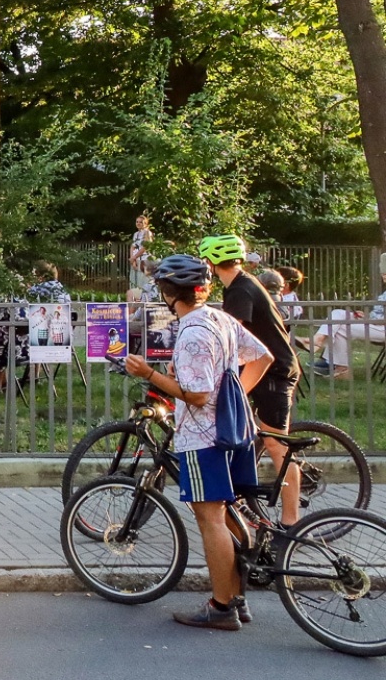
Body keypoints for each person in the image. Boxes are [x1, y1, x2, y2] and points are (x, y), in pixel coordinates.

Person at [123, 254, 271, 631]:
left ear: (170, 293)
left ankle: (221, 608)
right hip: (235, 431)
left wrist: (149, 373)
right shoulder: (219, 318)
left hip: (204, 438)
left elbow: (198, 396)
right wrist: (233, 396)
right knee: (230, 515)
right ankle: (237, 599)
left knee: (211, 519)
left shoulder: (192, 332)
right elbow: (262, 357)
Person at [199, 235, 301, 527]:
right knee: (244, 429)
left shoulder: (241, 290)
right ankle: (240, 499)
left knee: (276, 444)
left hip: (274, 373)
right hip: (263, 369)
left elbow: (231, 337)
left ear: (211, 262)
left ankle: (291, 522)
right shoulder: (241, 284)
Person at [311, 267, 386, 380]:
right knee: (337, 314)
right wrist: (367, 316)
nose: (383, 274)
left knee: (340, 328)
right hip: (375, 322)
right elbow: (380, 313)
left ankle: (340, 368)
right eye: (383, 272)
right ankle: (318, 339)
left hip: (382, 328)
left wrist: (371, 319)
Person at [129, 215, 154, 288]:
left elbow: (146, 247)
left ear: (145, 224)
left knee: (145, 280)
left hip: (145, 259)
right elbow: (132, 247)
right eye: (137, 222)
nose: (138, 223)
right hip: (136, 259)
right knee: (135, 281)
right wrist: (133, 259)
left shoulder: (147, 233)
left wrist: (135, 257)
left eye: (141, 222)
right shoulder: (136, 234)